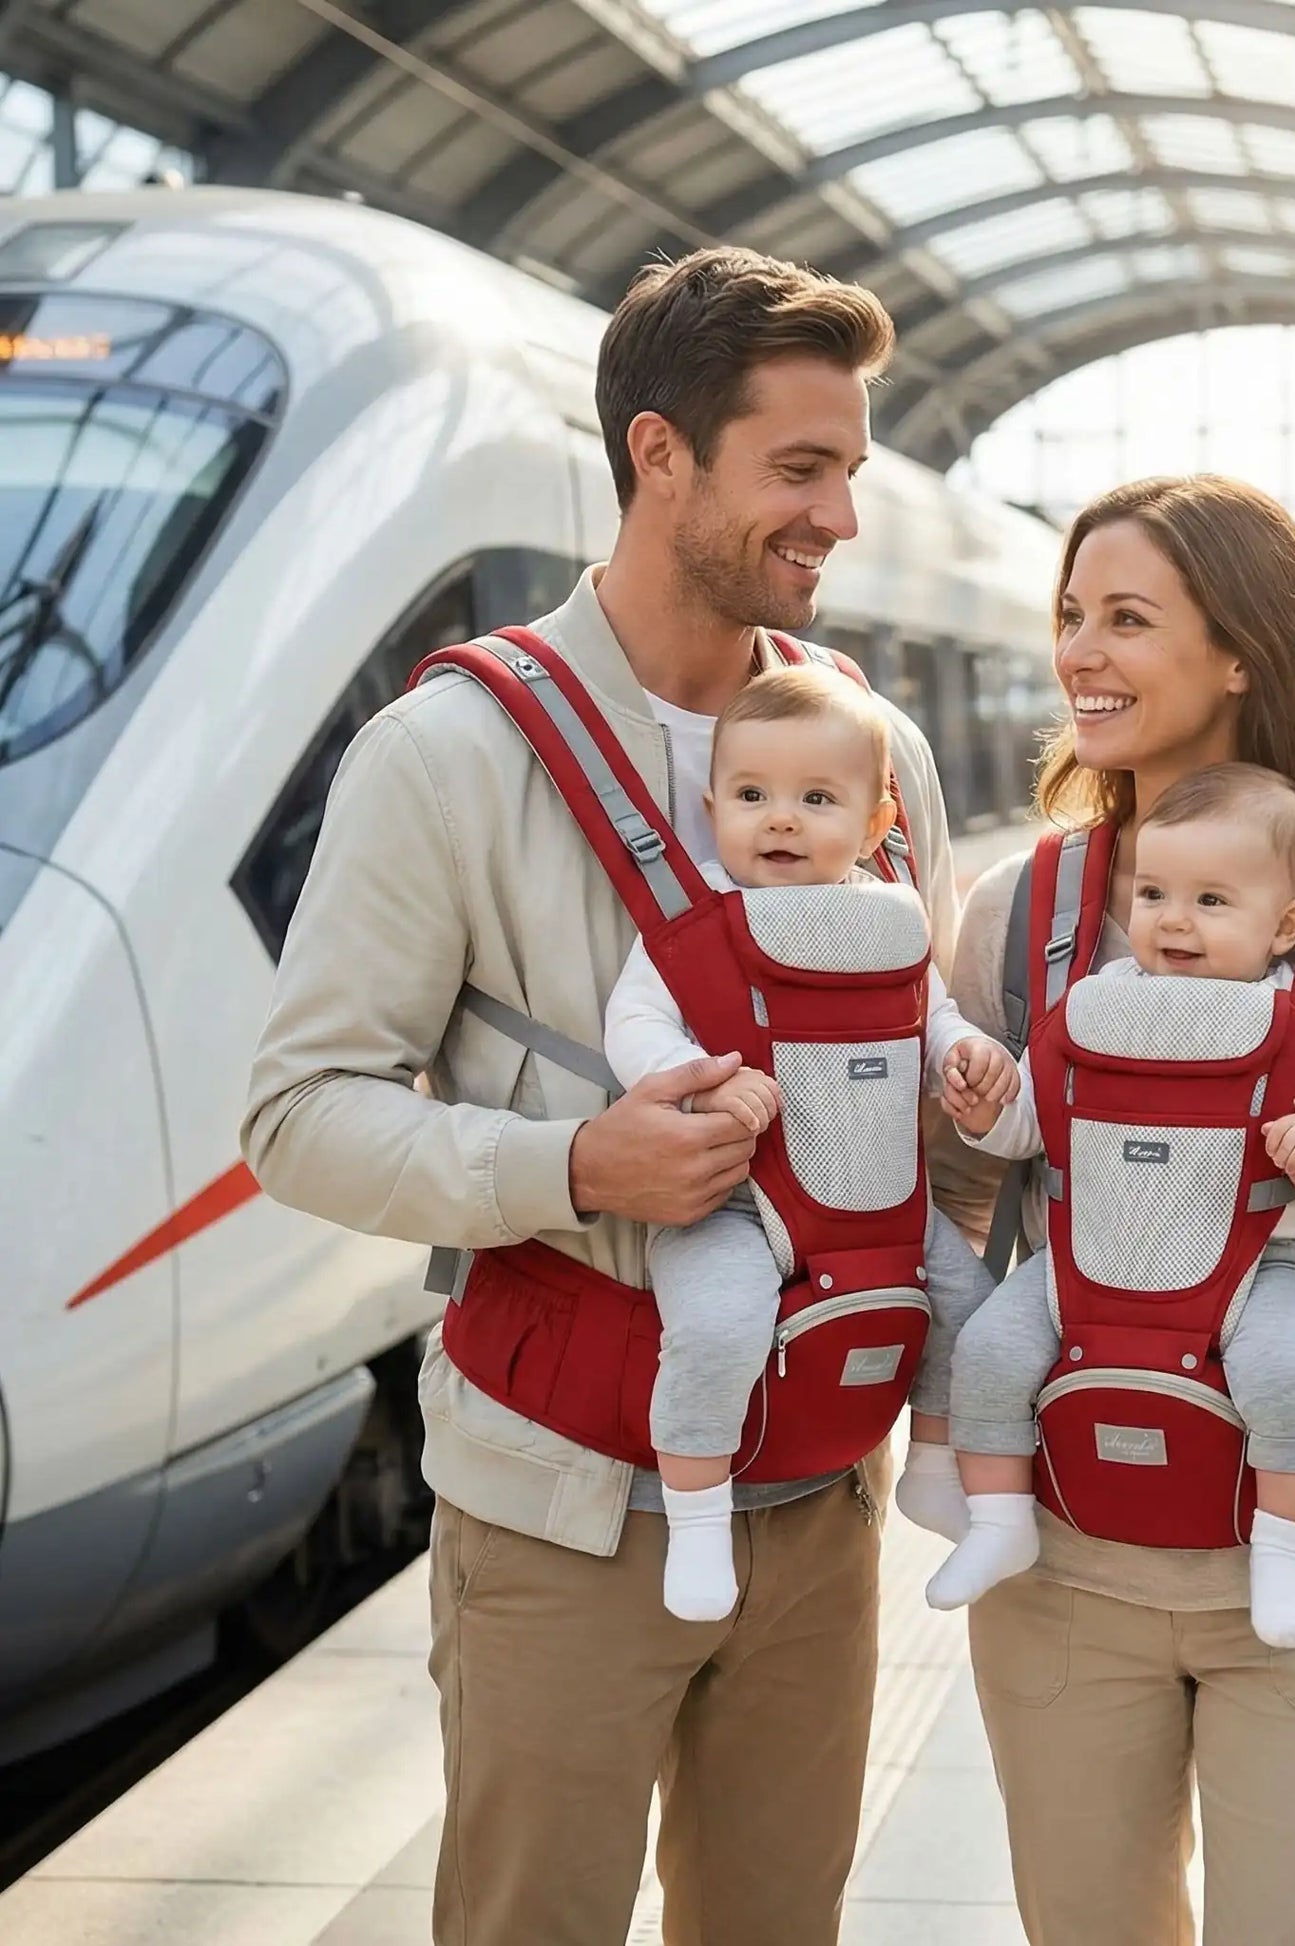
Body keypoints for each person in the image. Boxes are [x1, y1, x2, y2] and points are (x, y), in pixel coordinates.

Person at [242, 248, 960, 1946]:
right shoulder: (451, 756)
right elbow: (298, 1113)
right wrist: (578, 1163)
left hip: (816, 1497)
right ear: (660, 454)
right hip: (564, 1503)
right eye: (799, 469)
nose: (837, 519)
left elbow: (913, 1092)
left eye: (848, 471)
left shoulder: (882, 752)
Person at [929, 476, 1295, 1945]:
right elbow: (945, 1209)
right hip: (1070, 1558)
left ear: (1243, 650)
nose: (1080, 652)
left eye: (1125, 619)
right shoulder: (1023, 907)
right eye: (1070, 615)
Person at [934, 763, 1295, 1649]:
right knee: (988, 1348)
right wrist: (991, 1111)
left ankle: (1285, 1550)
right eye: (1153, 893)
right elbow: (1032, 1121)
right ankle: (998, 1522)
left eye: (1212, 901)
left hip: (1259, 1270)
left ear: (1287, 925)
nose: (1175, 919)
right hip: (1086, 1260)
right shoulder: (1094, 1006)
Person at [599, 667, 1012, 1621]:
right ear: (714, 809)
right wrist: (701, 1081)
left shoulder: (888, 921)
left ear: (875, 827)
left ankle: (936, 1463)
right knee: (714, 1327)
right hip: (744, 1204)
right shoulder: (695, 923)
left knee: (972, 1315)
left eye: (816, 800)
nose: (779, 821)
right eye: (752, 797)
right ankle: (698, 1520)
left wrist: (964, 1054)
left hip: (879, 1203)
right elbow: (636, 1023)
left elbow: (930, 1012)